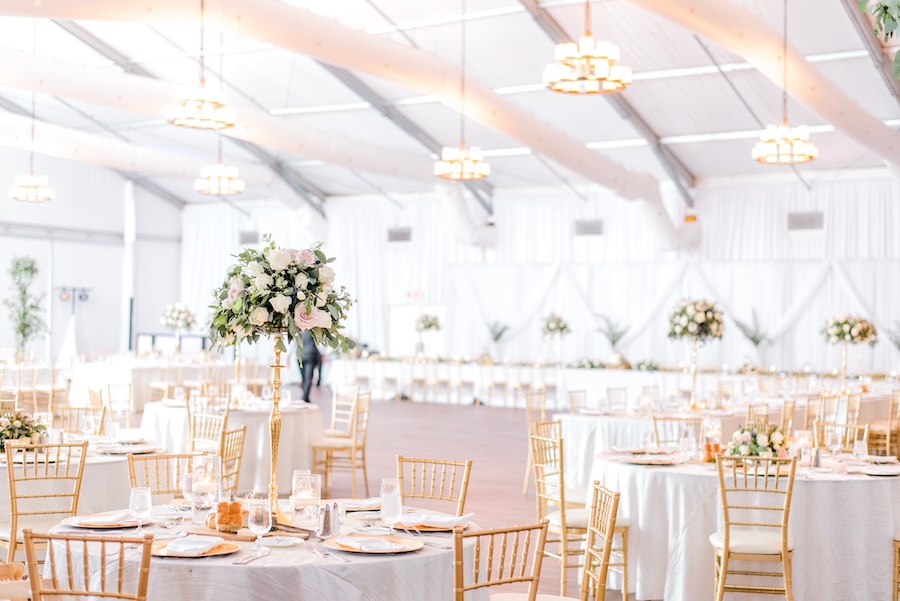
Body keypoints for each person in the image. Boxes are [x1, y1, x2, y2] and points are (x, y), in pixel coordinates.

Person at [298, 330, 321, 403]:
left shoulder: (298, 329)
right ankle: (305, 397)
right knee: (307, 378)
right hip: (308, 355)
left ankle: (305, 397)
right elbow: (319, 343)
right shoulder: (314, 329)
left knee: (305, 378)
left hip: (301, 355)